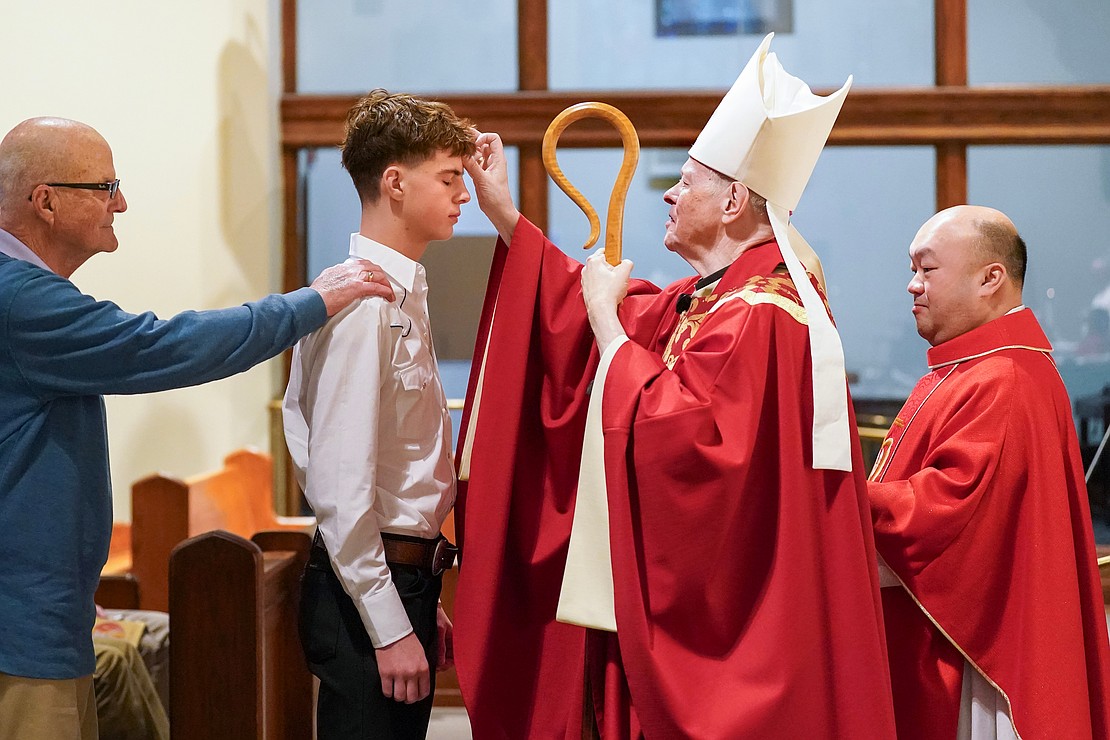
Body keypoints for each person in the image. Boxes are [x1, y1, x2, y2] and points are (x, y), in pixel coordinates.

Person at [454, 35, 897, 738]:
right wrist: (508, 219)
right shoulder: (718, 298)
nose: (669, 190)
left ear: (733, 202)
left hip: (740, 636)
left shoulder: (761, 316)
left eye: (687, 180)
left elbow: (684, 443)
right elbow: (612, 311)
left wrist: (606, 329)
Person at [0, 116, 393, 740]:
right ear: (44, 200)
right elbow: (159, 347)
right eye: (105, 187)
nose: (121, 203)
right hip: (19, 632)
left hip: (47, 617)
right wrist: (309, 303)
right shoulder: (19, 299)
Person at [867, 205, 1110, 739]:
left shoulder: (1004, 377)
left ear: (990, 278)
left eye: (927, 270)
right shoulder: (975, 367)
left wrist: (833, 494)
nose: (912, 285)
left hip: (977, 658)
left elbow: (947, 514)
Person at [282, 89, 471, 740]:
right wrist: (388, 623)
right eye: (449, 178)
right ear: (394, 183)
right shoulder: (363, 303)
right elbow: (340, 486)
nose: (463, 194)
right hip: (367, 583)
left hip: (398, 576)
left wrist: (417, 599)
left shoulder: (401, 289)